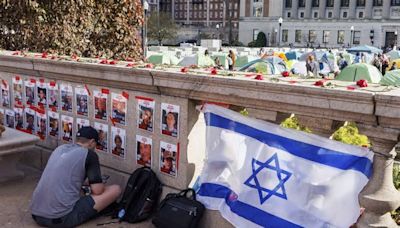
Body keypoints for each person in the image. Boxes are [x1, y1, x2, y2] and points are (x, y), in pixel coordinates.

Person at [31, 127, 121, 227]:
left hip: (36, 214)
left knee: (81, 192)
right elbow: (98, 191)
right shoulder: (90, 154)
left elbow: (64, 176)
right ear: (91, 142)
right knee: (115, 189)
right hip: (59, 218)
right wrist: (99, 183)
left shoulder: (60, 149)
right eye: (96, 144)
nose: (95, 148)